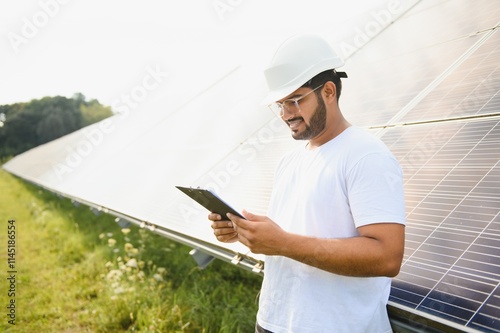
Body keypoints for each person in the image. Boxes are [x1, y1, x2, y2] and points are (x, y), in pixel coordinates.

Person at [208, 34, 406, 333]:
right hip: (275, 322)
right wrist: (246, 233)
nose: (286, 114)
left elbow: (386, 257)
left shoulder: (367, 156)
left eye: (295, 100)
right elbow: (297, 239)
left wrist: (282, 242)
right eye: (280, 104)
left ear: (328, 91)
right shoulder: (291, 161)